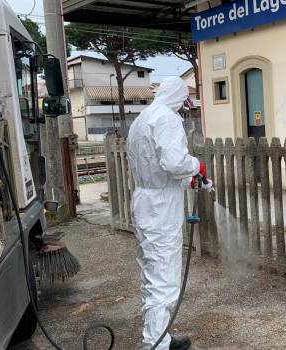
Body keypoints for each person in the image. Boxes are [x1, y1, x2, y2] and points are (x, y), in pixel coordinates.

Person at [127, 77, 212, 350]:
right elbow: (174, 161)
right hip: (161, 208)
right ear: (177, 95)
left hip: (145, 198)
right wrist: (196, 165)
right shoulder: (167, 118)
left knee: (152, 274)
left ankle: (159, 336)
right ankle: (156, 345)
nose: (184, 105)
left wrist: (186, 179)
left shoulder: (143, 118)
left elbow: (156, 164)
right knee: (164, 278)